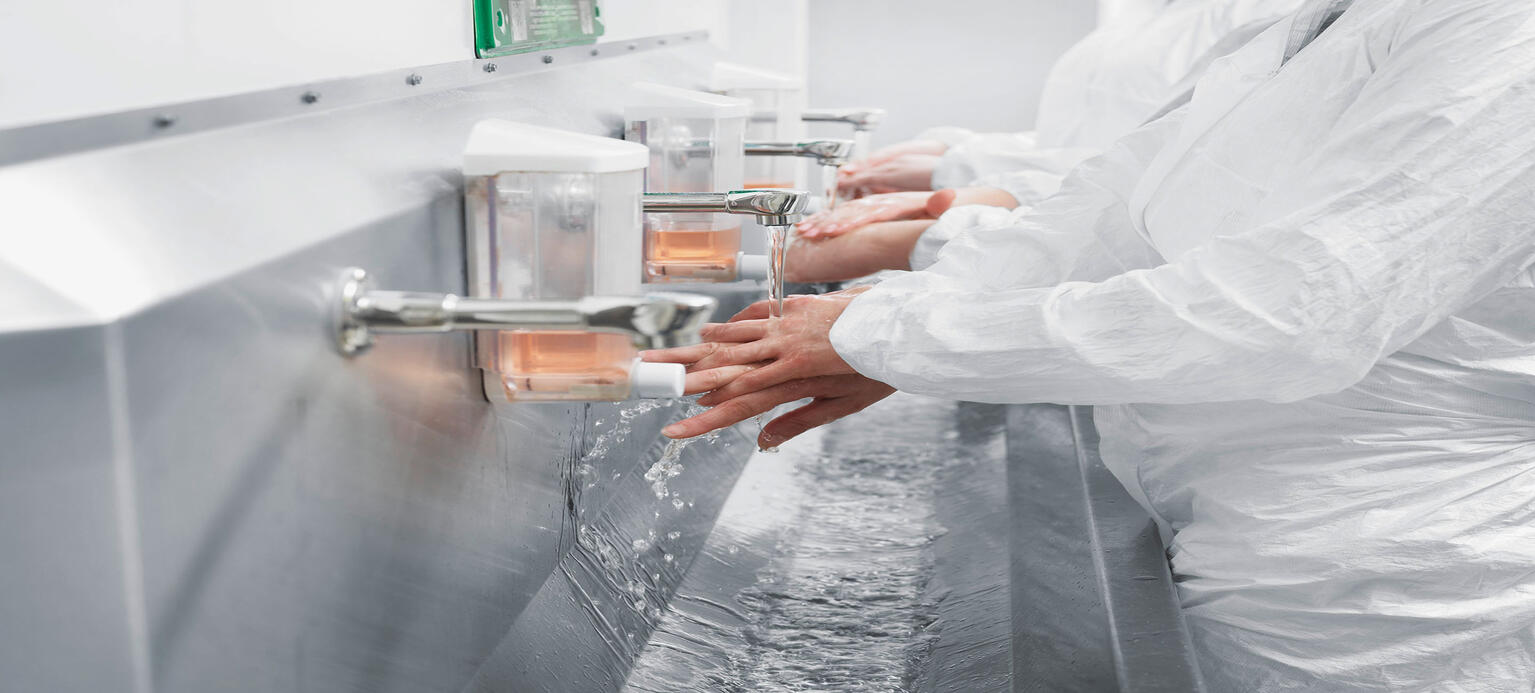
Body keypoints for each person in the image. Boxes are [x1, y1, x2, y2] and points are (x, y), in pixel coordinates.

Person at [646, 1, 1535, 689]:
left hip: (1387, 589)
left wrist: (901, 331)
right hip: (1244, 535)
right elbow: (1114, 208)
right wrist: (902, 322)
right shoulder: (1318, 21)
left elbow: (1298, 309)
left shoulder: (1506, 39)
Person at [812, 0, 1302, 240]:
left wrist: (960, 172)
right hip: (1054, 246)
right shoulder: (1145, 16)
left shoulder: (1266, 12)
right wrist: (954, 152)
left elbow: (1174, 169)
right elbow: (1102, 136)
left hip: (1111, 263)